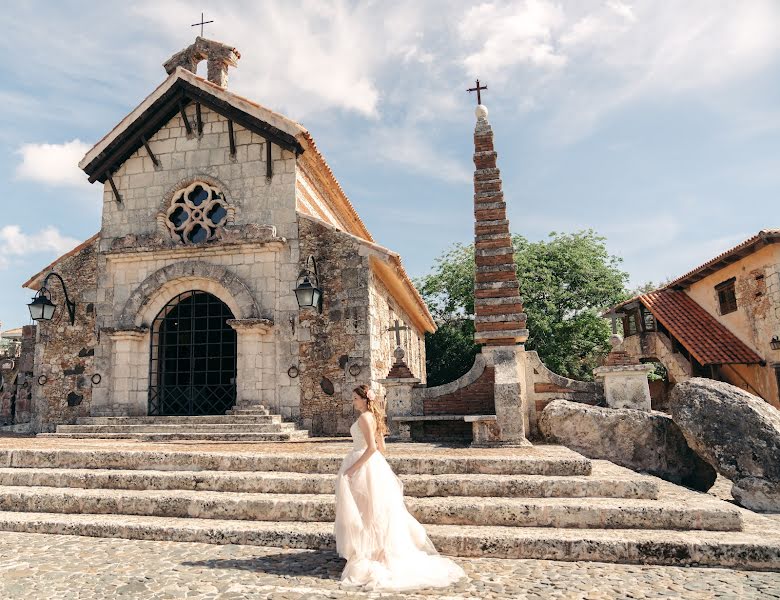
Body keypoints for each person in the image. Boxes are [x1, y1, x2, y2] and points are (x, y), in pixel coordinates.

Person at [334, 384, 466, 591]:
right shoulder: (373, 417)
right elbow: (382, 448)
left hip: (364, 464)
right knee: (375, 511)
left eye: (355, 399)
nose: (353, 402)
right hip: (374, 466)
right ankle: (377, 550)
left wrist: (352, 469)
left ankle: (373, 553)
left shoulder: (364, 418)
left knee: (367, 512)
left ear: (364, 399)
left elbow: (372, 448)